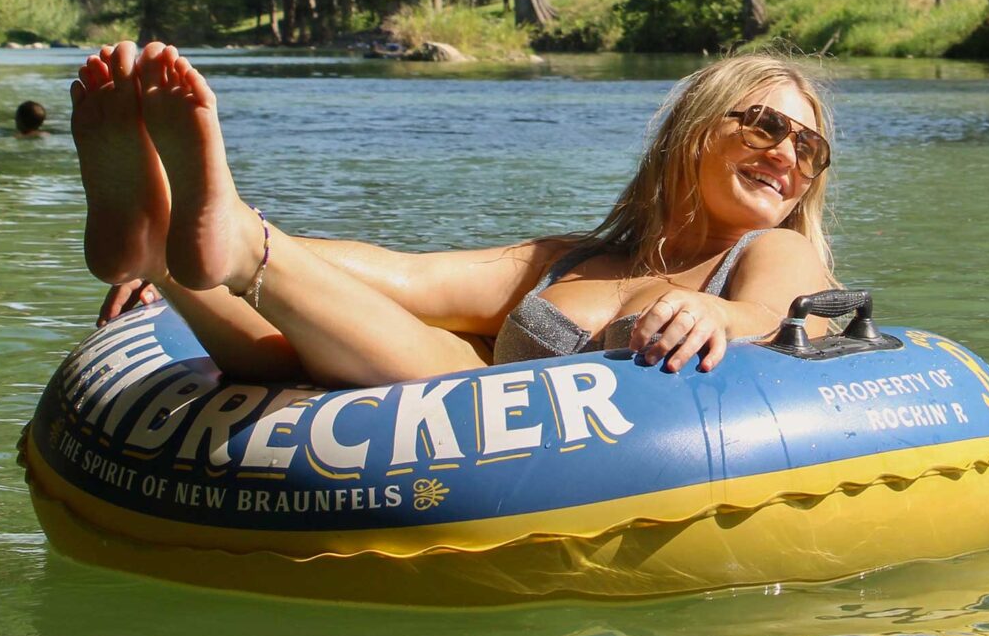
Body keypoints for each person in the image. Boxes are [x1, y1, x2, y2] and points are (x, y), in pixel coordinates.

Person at [77, 42, 839, 386]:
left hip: (568, 472)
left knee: (444, 370)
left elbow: (783, 314)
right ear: (693, 131)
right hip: (430, 414)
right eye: (766, 126)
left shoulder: (769, 255)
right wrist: (194, 249)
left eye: (810, 149)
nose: (788, 156)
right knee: (283, 356)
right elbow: (403, 276)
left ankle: (237, 241)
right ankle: (164, 250)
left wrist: (719, 316)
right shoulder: (569, 260)